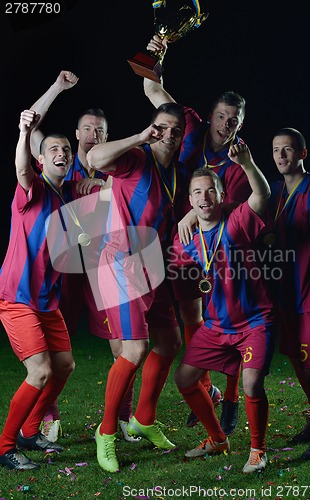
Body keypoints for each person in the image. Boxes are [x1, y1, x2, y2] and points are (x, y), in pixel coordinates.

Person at [142, 35, 252, 432]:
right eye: (222, 116)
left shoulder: (239, 162)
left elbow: (238, 212)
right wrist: (158, 53)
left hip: (221, 253)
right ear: (209, 116)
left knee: (228, 321)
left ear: (241, 123)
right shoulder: (187, 126)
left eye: (234, 120)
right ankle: (205, 389)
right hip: (181, 248)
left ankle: (233, 398)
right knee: (191, 319)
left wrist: (194, 211)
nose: (227, 125)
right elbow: (152, 87)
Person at [29, 71, 139, 443]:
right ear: (77, 135)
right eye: (88, 129)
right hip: (61, 271)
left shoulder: (119, 167)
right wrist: (57, 88)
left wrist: (107, 186)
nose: (94, 135)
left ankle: (122, 418)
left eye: (101, 130)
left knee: (123, 346)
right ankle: (48, 414)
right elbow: (32, 129)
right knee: (49, 349)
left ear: (108, 136)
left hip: (103, 268)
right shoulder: (60, 164)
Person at [86, 102, 189, 473]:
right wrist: (138, 138)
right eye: (163, 128)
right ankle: (107, 431)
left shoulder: (176, 171)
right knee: (134, 349)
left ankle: (143, 419)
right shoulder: (136, 159)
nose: (169, 135)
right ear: (153, 129)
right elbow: (95, 156)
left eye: (176, 130)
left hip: (154, 267)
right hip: (120, 263)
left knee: (171, 342)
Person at [172, 143, 276, 473]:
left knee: (251, 385)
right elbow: (169, 266)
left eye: (210, 191)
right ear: (190, 201)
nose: (204, 198)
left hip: (254, 320)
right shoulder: (186, 237)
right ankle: (218, 439)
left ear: (221, 194)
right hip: (217, 325)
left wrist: (246, 162)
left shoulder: (237, 221)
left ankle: (258, 450)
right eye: (197, 193)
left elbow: (261, 195)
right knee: (185, 378)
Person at [0, 110, 76, 470]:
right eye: (55, 149)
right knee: (40, 371)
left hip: (46, 300)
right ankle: (4, 447)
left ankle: (32, 430)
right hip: (17, 297)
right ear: (41, 158)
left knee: (64, 365)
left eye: (68, 149)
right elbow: (20, 168)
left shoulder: (65, 198)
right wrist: (24, 132)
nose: (63, 152)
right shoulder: (33, 188)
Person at [268, 118, 310, 459]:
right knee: (297, 363)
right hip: (286, 294)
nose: (280, 155)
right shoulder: (274, 194)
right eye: (276, 150)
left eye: (287, 149)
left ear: (302, 153)